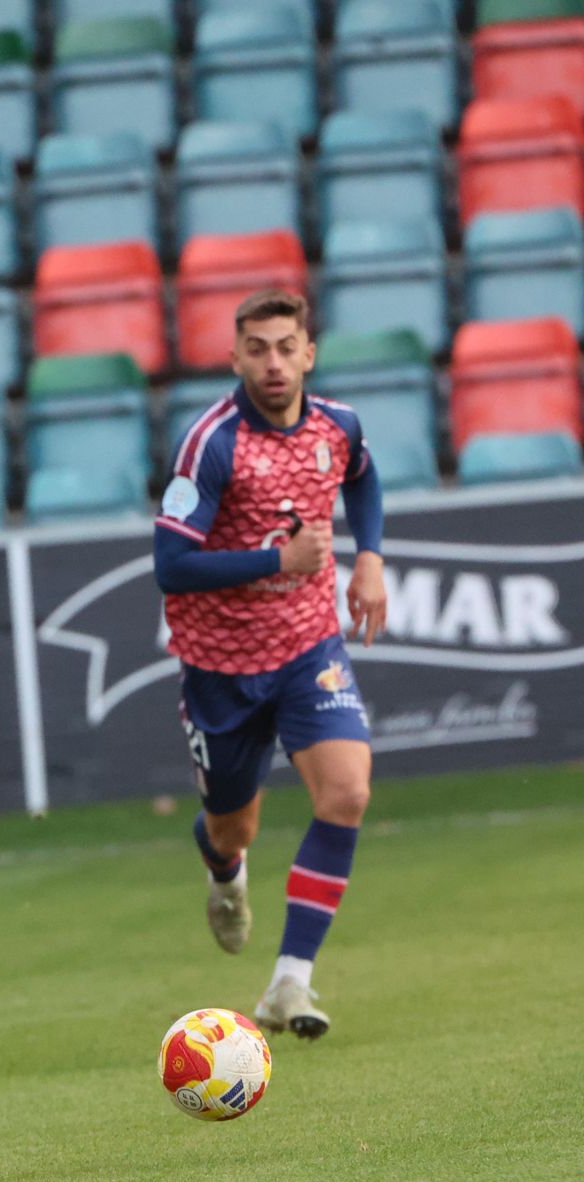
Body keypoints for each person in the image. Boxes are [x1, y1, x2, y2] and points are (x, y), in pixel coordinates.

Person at [153, 289, 388, 1040]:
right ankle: (224, 871)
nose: (274, 362)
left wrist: (370, 560)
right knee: (232, 827)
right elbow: (171, 565)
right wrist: (278, 558)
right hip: (221, 667)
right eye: (258, 348)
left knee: (347, 791)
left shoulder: (337, 425)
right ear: (235, 357)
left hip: (308, 648)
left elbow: (363, 478)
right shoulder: (212, 444)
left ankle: (291, 982)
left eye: (287, 346)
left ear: (309, 353)